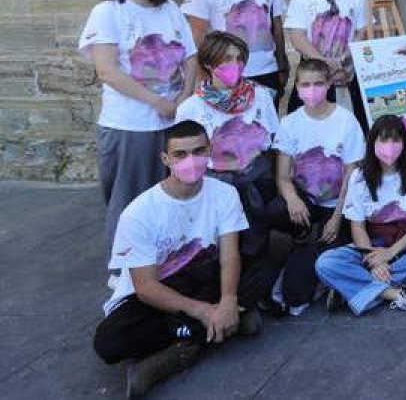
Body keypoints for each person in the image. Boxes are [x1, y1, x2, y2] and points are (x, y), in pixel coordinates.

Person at [92, 120, 261, 397]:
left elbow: (230, 255)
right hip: (158, 293)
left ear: (209, 151)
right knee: (109, 342)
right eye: (180, 154)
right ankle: (215, 331)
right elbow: (145, 287)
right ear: (165, 159)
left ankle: (191, 339)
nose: (191, 161)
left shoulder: (225, 194)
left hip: (203, 277)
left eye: (198, 151)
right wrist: (205, 311)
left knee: (261, 265)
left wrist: (228, 299)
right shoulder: (139, 213)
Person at [80, 0, 198, 250]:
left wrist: (182, 100)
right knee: (129, 198)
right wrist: (157, 102)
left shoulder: (170, 8)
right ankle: (125, 264)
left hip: (171, 120)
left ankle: (166, 256)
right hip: (130, 125)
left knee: (170, 194)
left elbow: (190, 57)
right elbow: (107, 70)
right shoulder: (108, 12)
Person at [174, 32, 282, 310]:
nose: (234, 65)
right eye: (226, 59)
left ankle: (257, 291)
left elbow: (273, 139)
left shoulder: (260, 96)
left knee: (256, 236)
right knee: (221, 243)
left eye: (238, 59)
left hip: (255, 177)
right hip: (215, 181)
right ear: (209, 64)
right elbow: (184, 155)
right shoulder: (191, 108)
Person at [266, 59, 366, 316]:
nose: (312, 90)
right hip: (306, 204)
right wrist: (292, 198)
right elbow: (283, 176)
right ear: (297, 87)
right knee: (278, 208)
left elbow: (351, 176)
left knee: (302, 285)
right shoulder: (289, 123)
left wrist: (336, 218)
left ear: (329, 84)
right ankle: (301, 237)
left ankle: (313, 258)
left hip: (338, 206)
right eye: (305, 84)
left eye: (318, 84)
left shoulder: (346, 121)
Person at [315, 115, 406, 315]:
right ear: (372, 142)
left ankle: (352, 289)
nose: (389, 146)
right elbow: (357, 226)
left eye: (395, 140)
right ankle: (398, 294)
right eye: (383, 140)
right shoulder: (359, 176)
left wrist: (390, 254)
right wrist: (373, 258)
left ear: (404, 142)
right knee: (326, 263)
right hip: (374, 245)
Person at [283, 0, 369, 132]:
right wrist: (323, 61)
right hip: (314, 73)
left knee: (352, 126)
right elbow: (297, 36)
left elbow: (362, 31)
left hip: (347, 73)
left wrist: (344, 58)